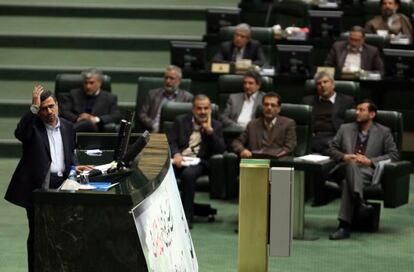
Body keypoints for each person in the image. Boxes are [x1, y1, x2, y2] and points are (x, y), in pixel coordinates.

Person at [4, 85, 92, 272]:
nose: (49, 111)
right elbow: (20, 133)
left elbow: (69, 153)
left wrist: (75, 166)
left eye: (51, 106)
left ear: (58, 105)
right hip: (39, 188)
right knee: (38, 236)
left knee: (64, 233)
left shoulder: (68, 127)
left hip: (64, 185)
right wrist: (33, 108)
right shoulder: (32, 128)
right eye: (44, 108)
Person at [328, 100, 399, 240]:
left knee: (346, 184)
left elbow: (394, 155)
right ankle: (360, 203)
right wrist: (344, 156)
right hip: (342, 168)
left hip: (366, 172)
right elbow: (332, 148)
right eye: (356, 109)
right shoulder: (345, 128)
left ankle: (344, 226)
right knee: (350, 165)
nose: (357, 112)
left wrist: (370, 161)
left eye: (361, 110)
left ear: (372, 114)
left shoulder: (384, 132)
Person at [167, 95, 226, 228]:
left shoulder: (216, 125)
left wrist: (210, 132)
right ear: (193, 109)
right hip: (179, 159)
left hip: (200, 162)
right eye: (199, 108)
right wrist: (176, 154)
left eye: (206, 108)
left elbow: (221, 150)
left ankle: (186, 218)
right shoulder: (180, 121)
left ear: (210, 109)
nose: (203, 112)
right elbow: (172, 141)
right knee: (164, 173)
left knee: (188, 175)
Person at [302, 71, 355, 155]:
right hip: (314, 138)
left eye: (325, 82)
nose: (322, 85)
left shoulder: (346, 101)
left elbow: (351, 126)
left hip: (334, 137)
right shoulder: (308, 101)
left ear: (333, 84)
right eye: (319, 84)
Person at [232, 92, 296, 158]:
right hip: (255, 163)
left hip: (277, 162)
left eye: (273, 105)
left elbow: (289, 147)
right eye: (266, 104)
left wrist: (268, 154)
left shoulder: (288, 124)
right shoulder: (252, 124)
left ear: (279, 109)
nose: (269, 108)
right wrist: (242, 150)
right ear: (262, 107)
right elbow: (237, 142)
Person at [138, 65, 193, 132]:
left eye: (171, 78)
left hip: (176, 132)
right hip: (153, 131)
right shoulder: (152, 94)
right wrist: (153, 124)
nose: (168, 81)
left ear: (179, 81)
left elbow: (188, 120)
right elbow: (142, 114)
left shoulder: (188, 97)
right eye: (166, 78)